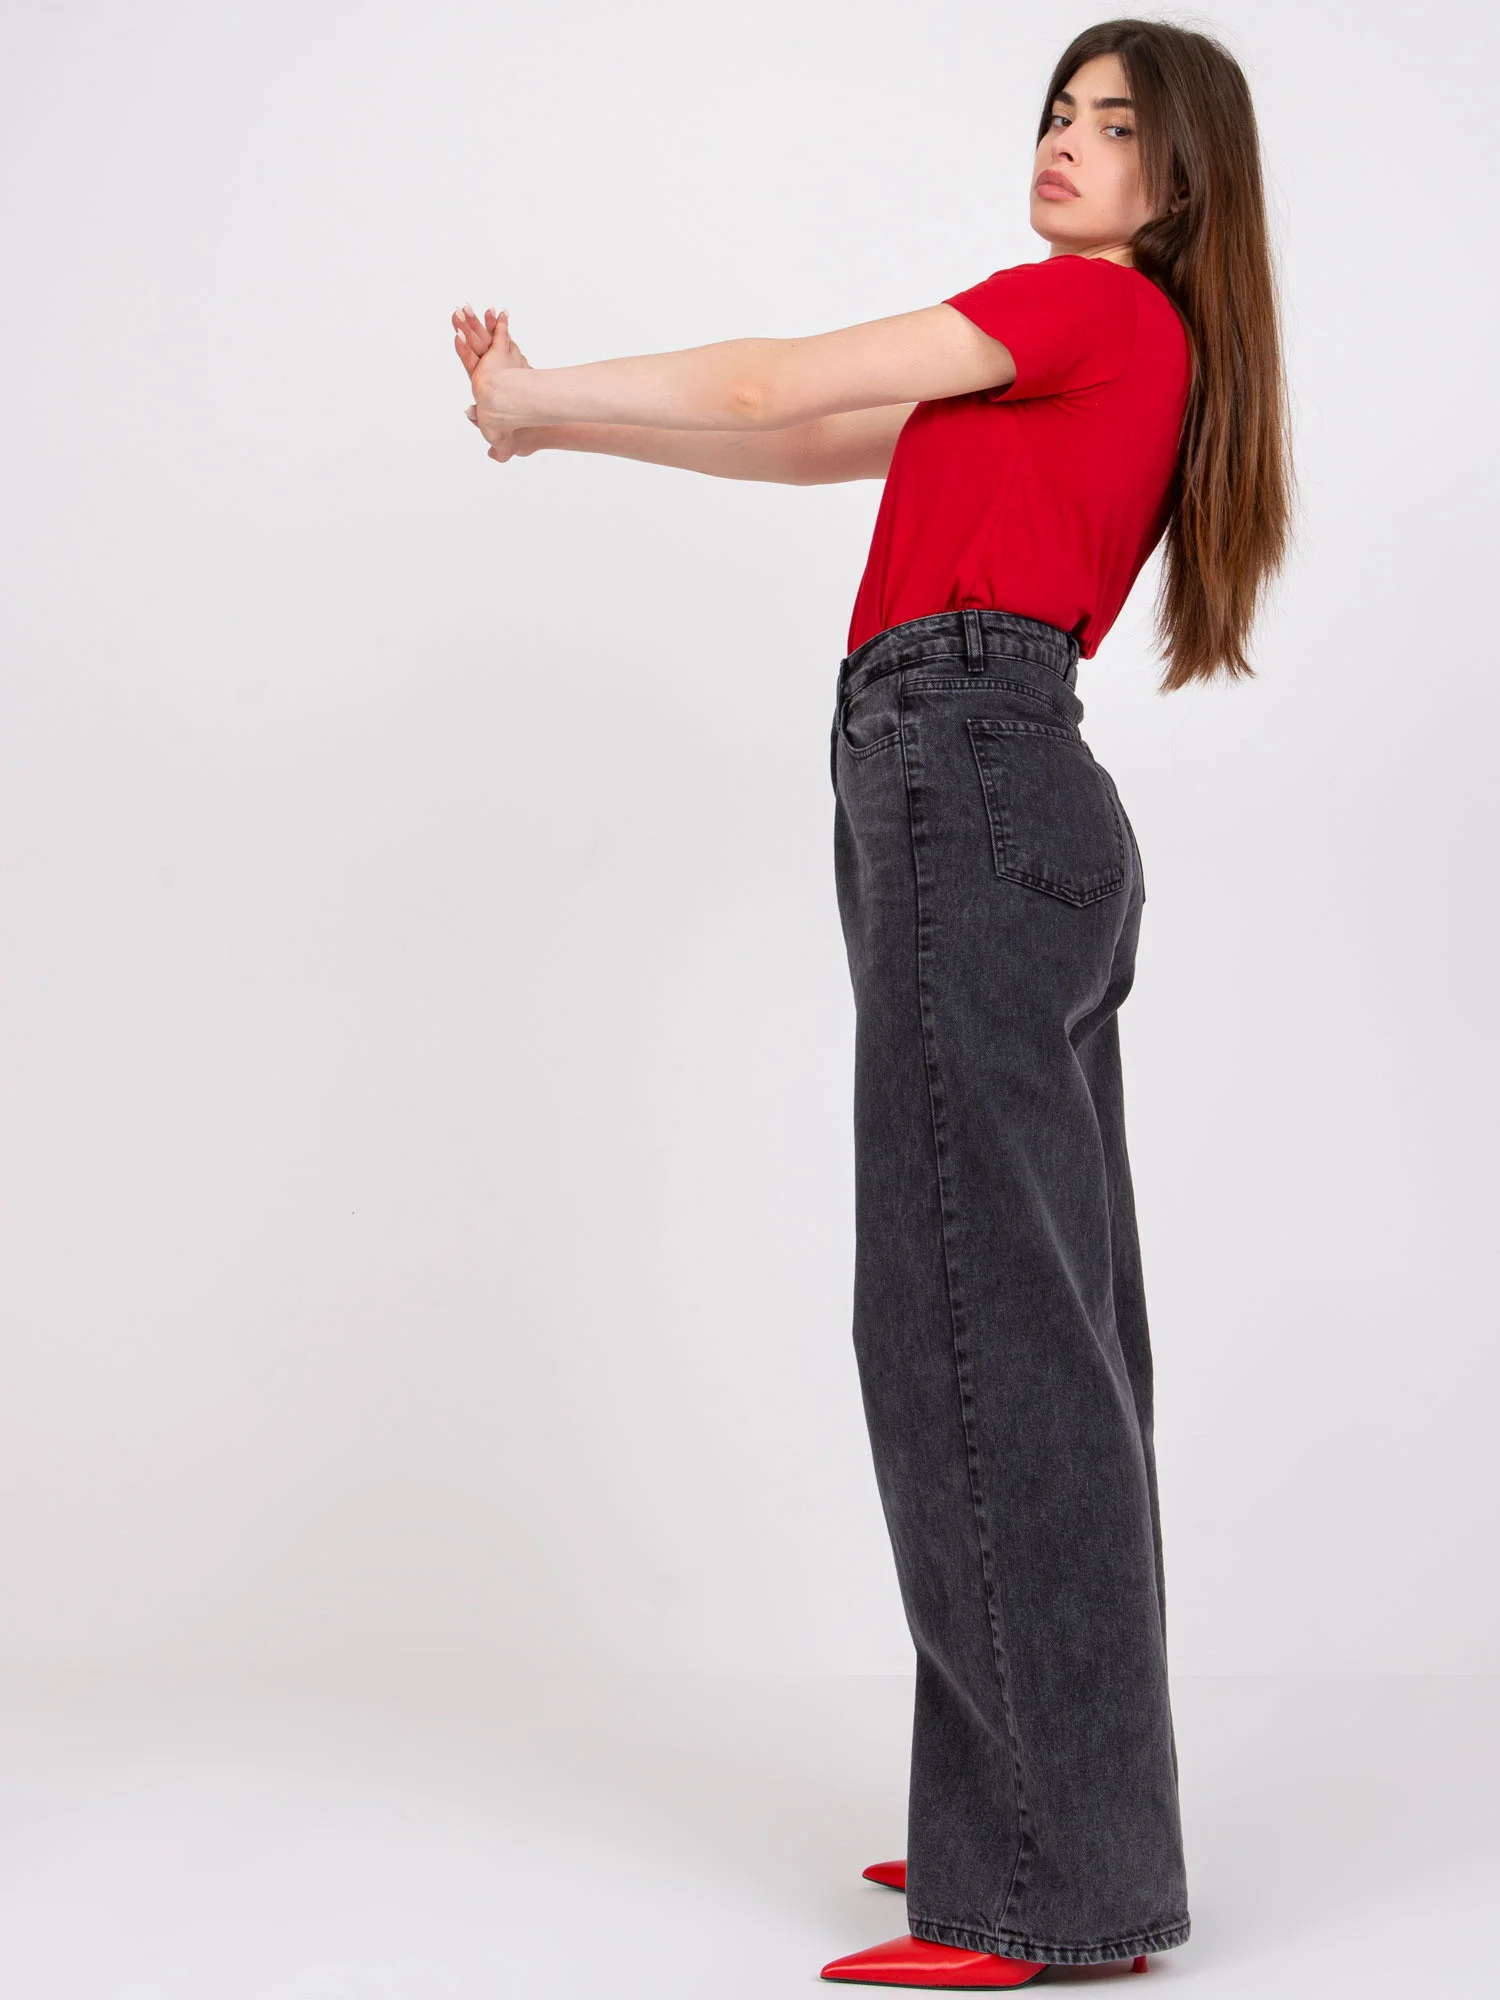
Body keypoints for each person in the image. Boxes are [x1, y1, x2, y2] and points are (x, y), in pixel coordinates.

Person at [452, 17, 1294, 1990]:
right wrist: (547, 427)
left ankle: (1041, 1878)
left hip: (969, 780)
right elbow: (804, 439)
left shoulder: (1080, 307)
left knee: (961, 1315)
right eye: (1059, 111)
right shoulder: (1102, 353)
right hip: (1013, 794)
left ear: (1181, 184)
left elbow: (774, 375)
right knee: (1045, 1325)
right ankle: (1048, 1825)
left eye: (1116, 125)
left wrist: (543, 382)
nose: (1068, 142)